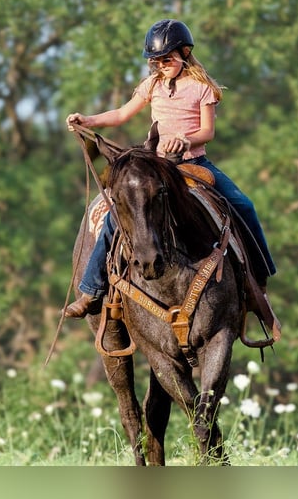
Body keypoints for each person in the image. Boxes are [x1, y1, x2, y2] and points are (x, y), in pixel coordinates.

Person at [65, 19, 276, 318]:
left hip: (193, 163)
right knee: (117, 216)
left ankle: (258, 282)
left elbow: (207, 132)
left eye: (167, 59)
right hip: (158, 165)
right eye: (156, 61)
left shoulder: (202, 88)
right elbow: (123, 113)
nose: (162, 65)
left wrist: (185, 140)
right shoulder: (151, 85)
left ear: (184, 53)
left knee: (244, 205)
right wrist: (88, 120)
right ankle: (91, 290)